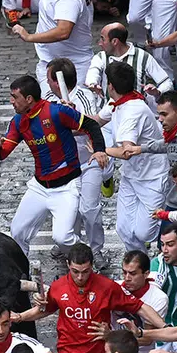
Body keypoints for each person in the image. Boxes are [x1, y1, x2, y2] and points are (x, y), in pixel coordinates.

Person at [0, 76, 107, 259]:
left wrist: (99, 151)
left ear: (28, 99)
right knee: (17, 232)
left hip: (67, 187)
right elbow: (3, 154)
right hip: (39, 187)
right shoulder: (18, 121)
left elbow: (90, 124)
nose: (11, 101)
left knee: (62, 238)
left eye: (14, 97)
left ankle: (89, 257)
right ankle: (22, 271)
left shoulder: (57, 112)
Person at [10, 243, 167, 353]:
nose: (80, 277)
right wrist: (20, 317)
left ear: (92, 265)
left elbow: (140, 307)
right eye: (75, 271)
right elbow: (44, 310)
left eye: (85, 271)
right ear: (67, 265)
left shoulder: (108, 287)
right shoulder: (58, 287)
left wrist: (166, 328)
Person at [98, 61, 168, 252]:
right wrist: (70, 116)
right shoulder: (116, 103)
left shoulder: (132, 111)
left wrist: (101, 149)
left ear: (110, 86)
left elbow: (126, 152)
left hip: (152, 177)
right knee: (124, 229)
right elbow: (96, 120)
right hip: (131, 176)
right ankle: (139, 270)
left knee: (144, 233)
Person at [46, 58, 108, 269]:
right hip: (64, 166)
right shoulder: (48, 100)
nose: (47, 83)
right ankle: (71, 246)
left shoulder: (84, 95)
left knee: (89, 209)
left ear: (57, 82)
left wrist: (73, 118)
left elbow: (93, 123)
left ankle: (96, 250)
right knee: (69, 208)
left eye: (48, 79)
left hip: (88, 161)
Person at [12, 0, 92, 100]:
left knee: (71, 113)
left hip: (71, 69)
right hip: (49, 64)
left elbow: (63, 31)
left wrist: (29, 37)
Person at [85, 23, 171, 115]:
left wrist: (157, 92)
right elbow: (93, 71)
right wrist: (93, 83)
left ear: (114, 41)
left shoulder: (143, 57)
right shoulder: (100, 57)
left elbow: (166, 82)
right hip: (108, 114)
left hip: (136, 114)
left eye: (103, 39)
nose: (99, 43)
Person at [106, 250, 169, 353]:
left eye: (132, 273)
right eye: (124, 272)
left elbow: (147, 339)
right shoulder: (114, 288)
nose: (127, 278)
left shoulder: (158, 298)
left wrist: (109, 335)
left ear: (146, 274)